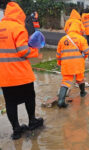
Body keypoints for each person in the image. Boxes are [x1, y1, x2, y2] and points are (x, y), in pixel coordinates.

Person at [0, 1, 43, 140]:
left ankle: (16, 130)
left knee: (10, 102)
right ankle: (32, 121)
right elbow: (23, 51)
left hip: (4, 75)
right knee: (29, 96)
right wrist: (35, 52)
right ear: (19, 14)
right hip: (20, 73)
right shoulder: (18, 27)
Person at [56, 21, 89, 108]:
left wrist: (59, 63)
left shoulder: (62, 39)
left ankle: (61, 101)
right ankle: (82, 93)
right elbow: (87, 51)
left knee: (66, 81)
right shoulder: (81, 39)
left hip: (66, 64)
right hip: (78, 63)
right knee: (80, 78)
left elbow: (58, 54)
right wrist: (84, 57)